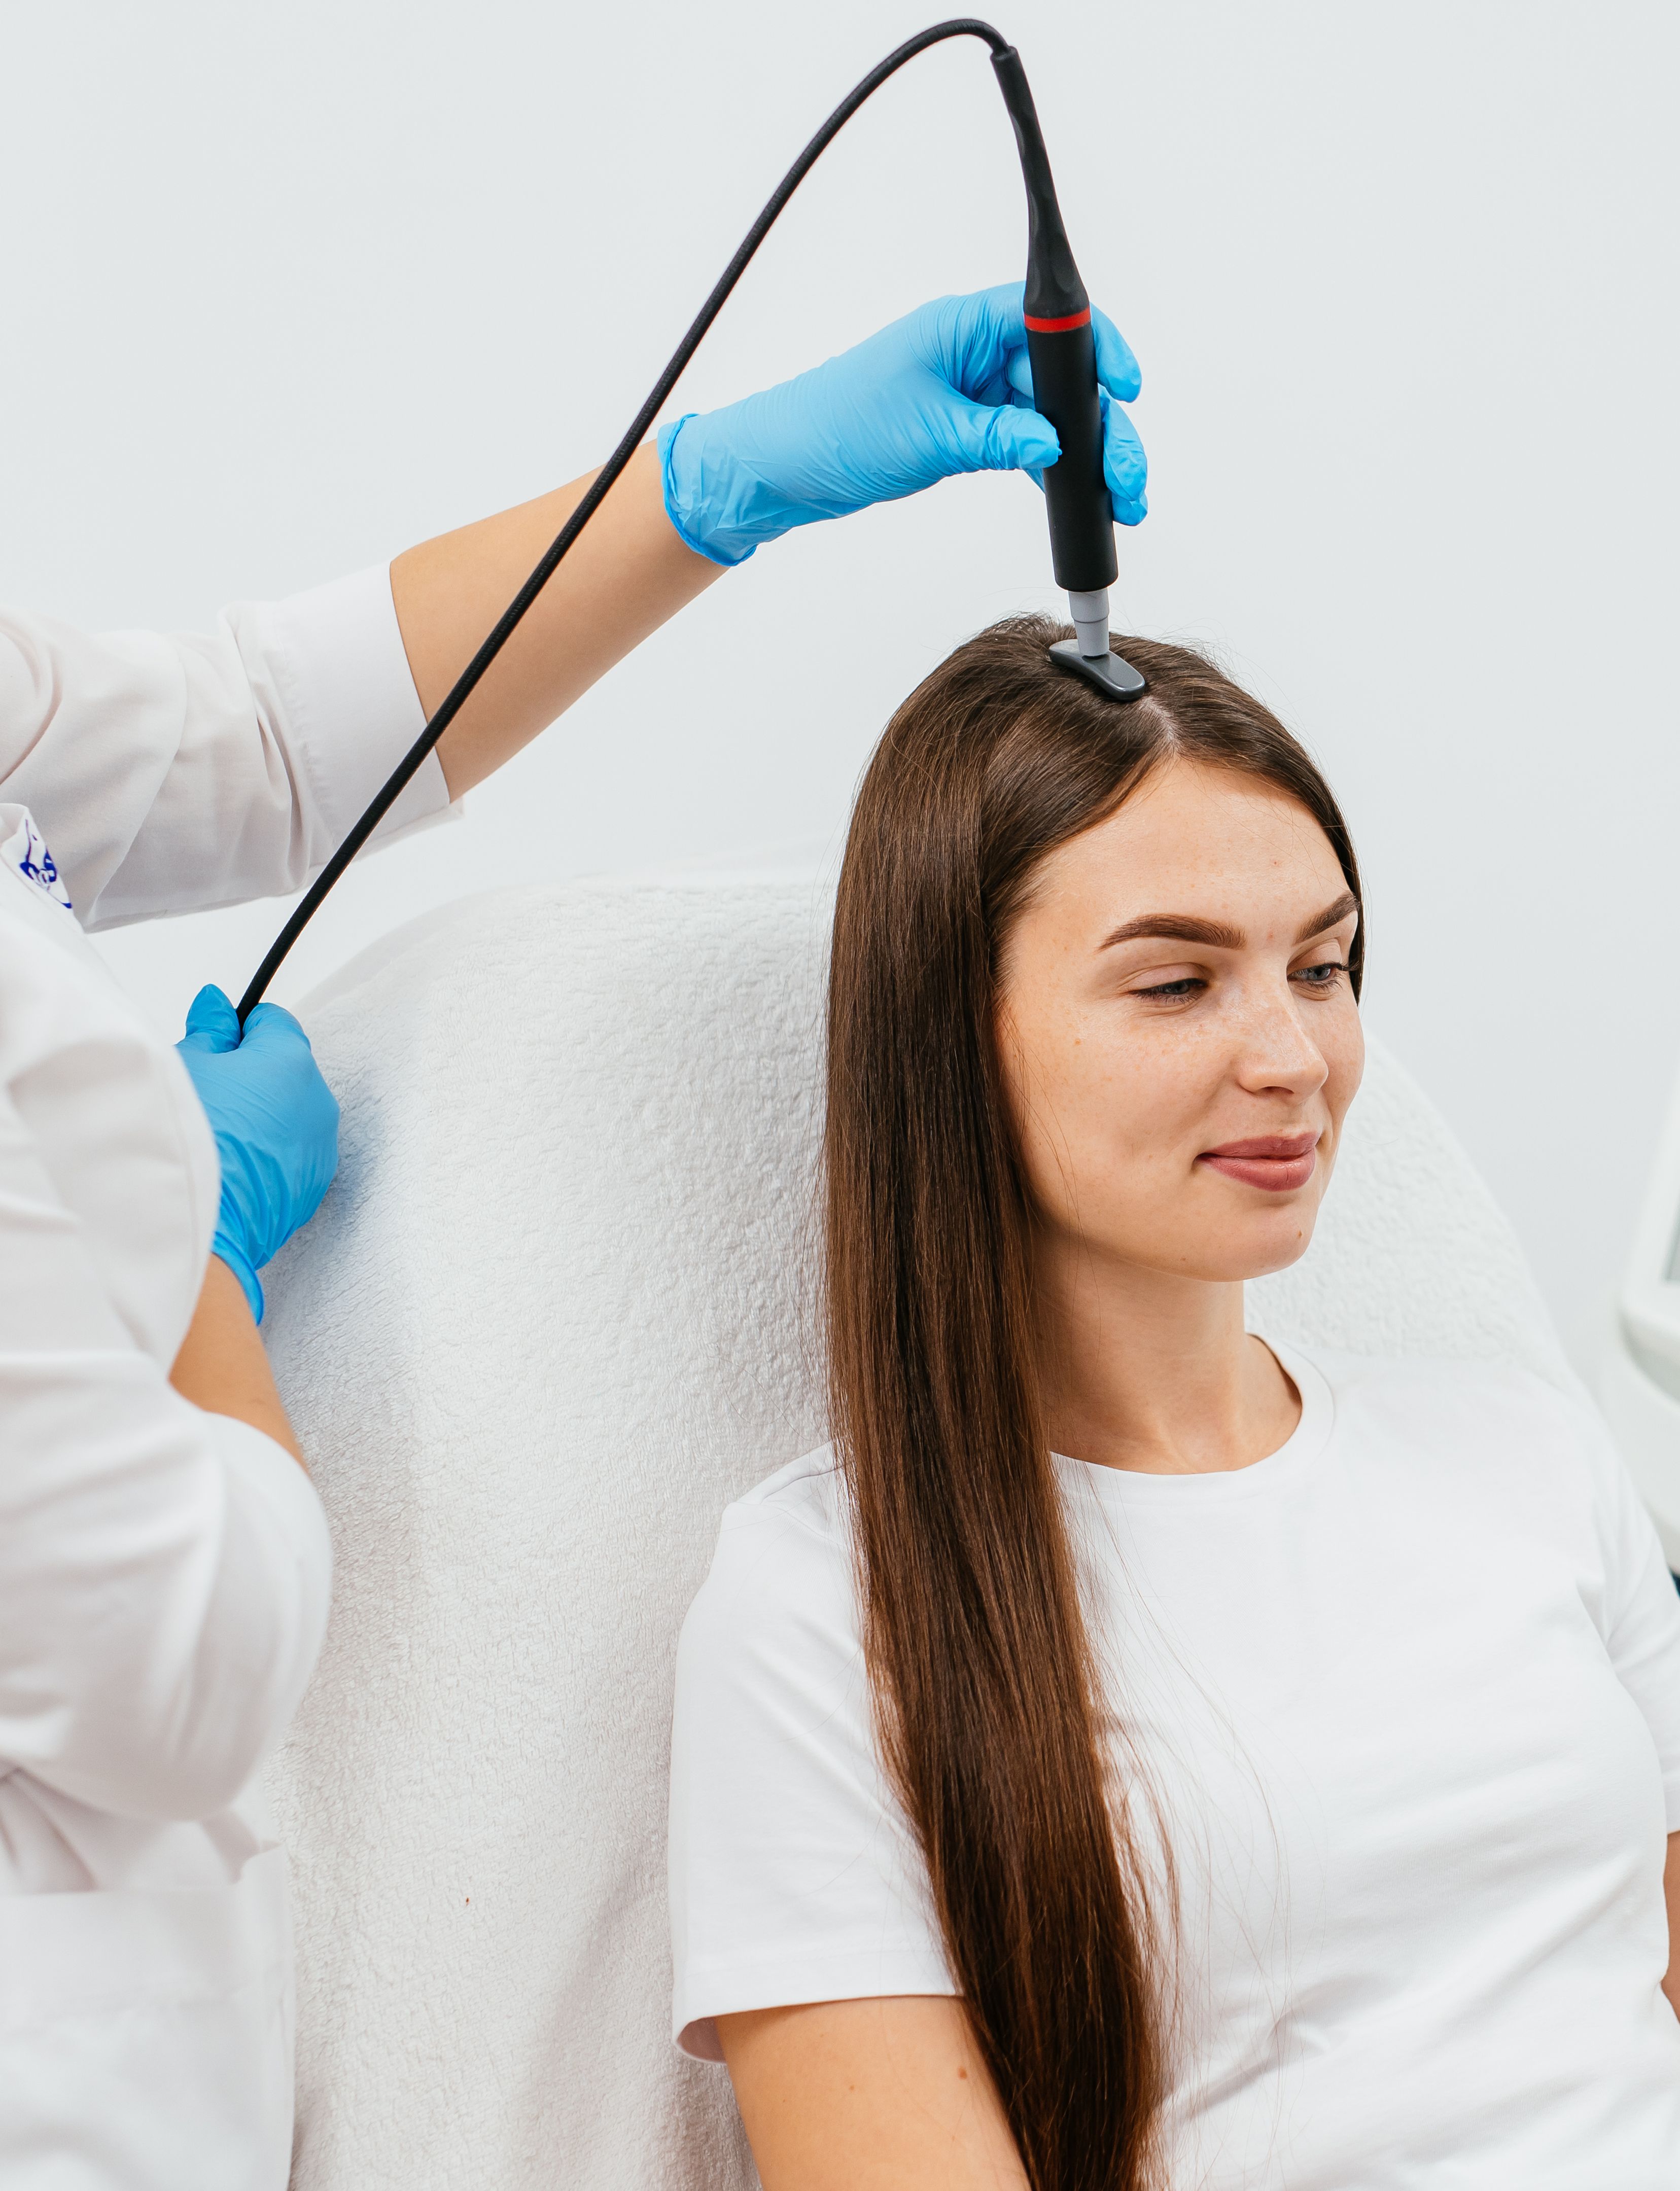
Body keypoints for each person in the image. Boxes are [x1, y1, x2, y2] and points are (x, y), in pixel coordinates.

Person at [0, 288, 1145, 2189]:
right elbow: (175, 1656)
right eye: (1168, 977)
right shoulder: (801, 1610)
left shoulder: (1501, 1490)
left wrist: (711, 492)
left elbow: (258, 736)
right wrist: (198, 1267)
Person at [664, 625, 1680, 2190]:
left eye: (1322, 967)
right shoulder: (822, 1609)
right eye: (1176, 981)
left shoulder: (1525, 1459)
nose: (1294, 1058)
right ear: (957, 1029)